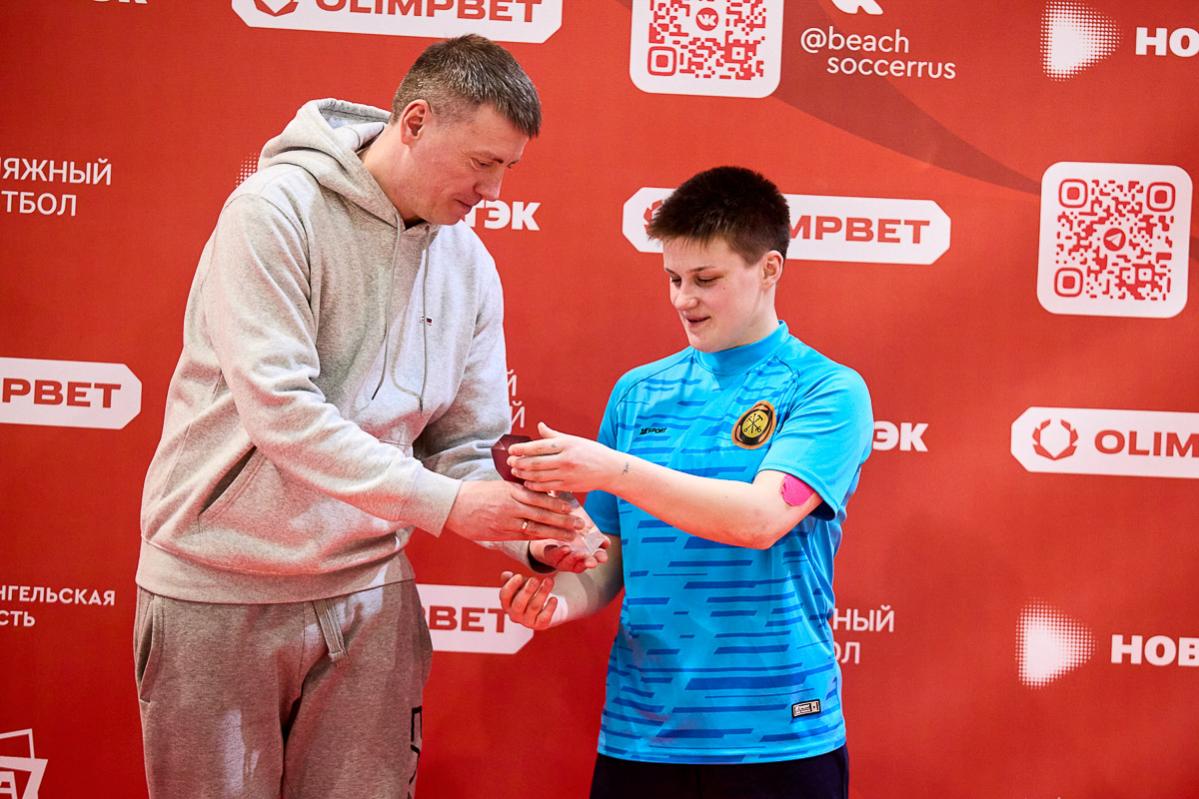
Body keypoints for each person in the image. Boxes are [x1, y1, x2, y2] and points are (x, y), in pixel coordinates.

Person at [133, 35, 590, 799]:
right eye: (482, 162)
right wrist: (450, 504)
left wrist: (529, 533)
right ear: (414, 122)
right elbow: (282, 412)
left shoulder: (469, 263)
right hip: (218, 590)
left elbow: (464, 443)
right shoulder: (273, 211)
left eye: (508, 169)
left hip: (373, 598)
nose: (493, 190)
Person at [499, 166, 874, 799]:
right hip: (642, 733)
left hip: (780, 735)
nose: (682, 299)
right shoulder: (637, 393)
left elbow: (759, 520)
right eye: (673, 278)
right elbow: (607, 561)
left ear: (770, 269)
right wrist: (557, 601)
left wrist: (610, 468)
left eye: (706, 279)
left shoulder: (828, 389)